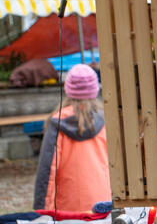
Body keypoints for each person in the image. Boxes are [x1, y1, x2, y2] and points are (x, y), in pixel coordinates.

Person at [33, 64, 111, 212]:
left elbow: (48, 170)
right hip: (103, 204)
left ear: (67, 89)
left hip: (67, 210)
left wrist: (41, 211)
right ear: (95, 89)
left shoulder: (57, 122)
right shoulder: (106, 119)